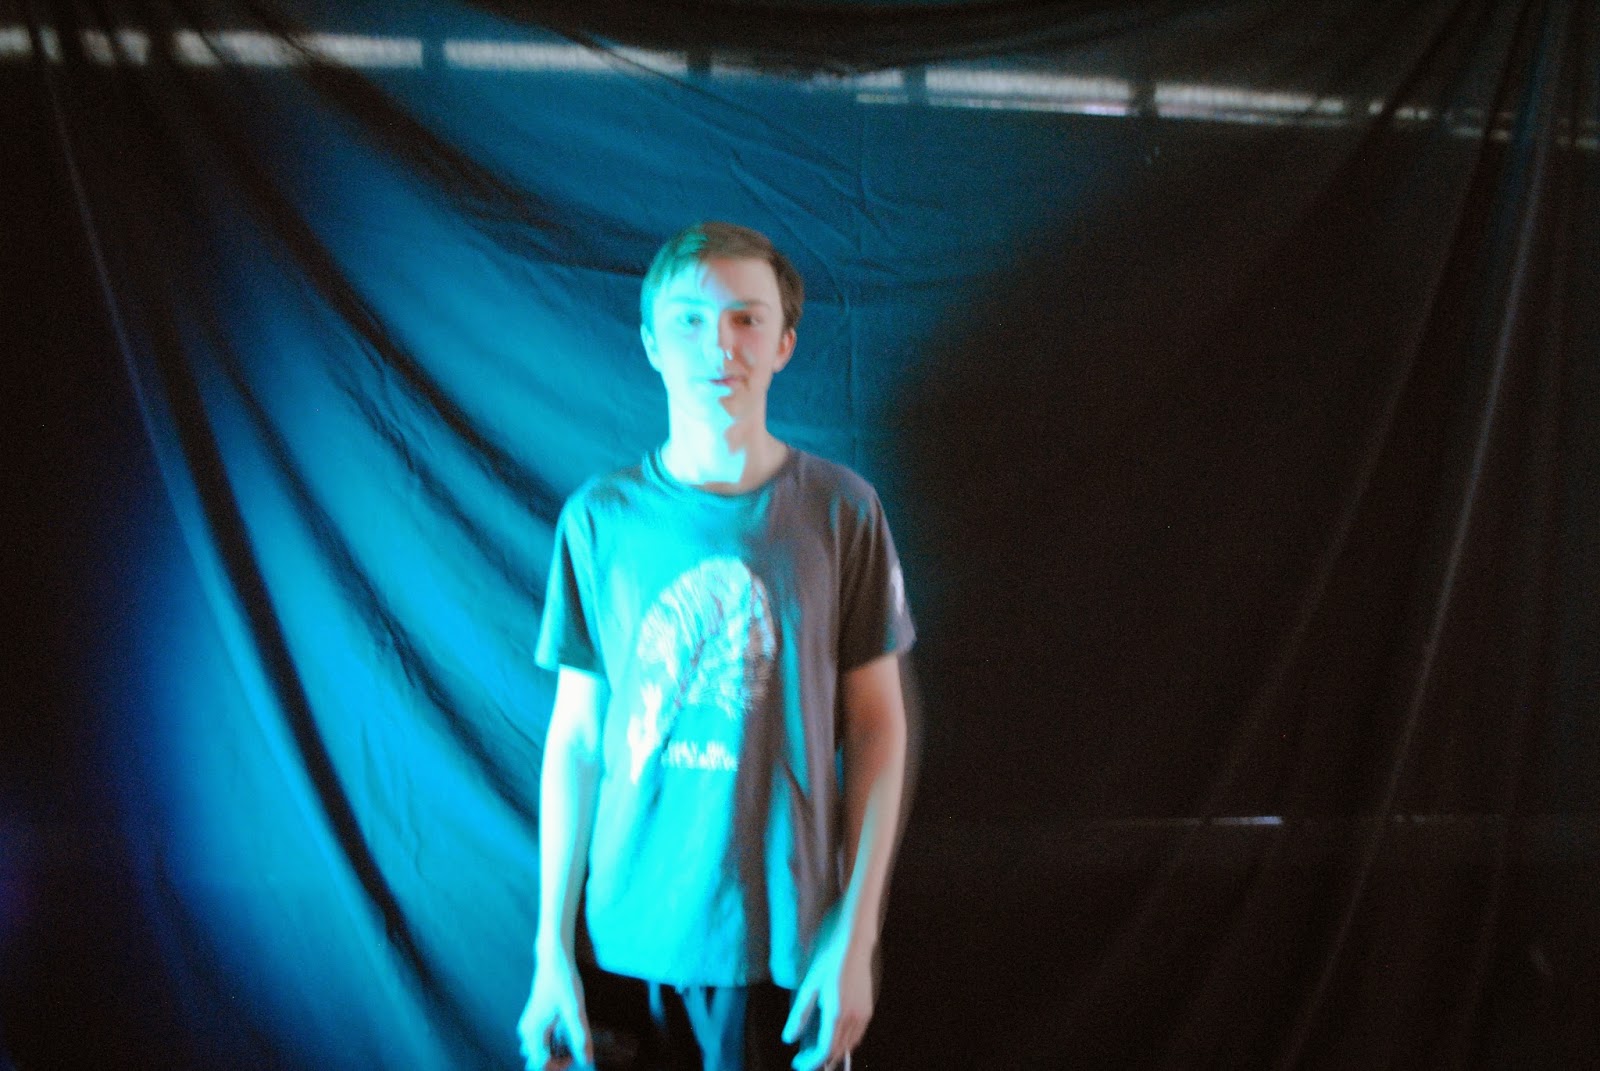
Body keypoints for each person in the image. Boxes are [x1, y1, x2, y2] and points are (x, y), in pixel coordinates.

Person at [518, 222, 915, 1071]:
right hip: (622, 944)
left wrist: (856, 935)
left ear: (784, 342)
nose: (720, 344)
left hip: (784, 948)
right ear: (651, 343)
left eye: (746, 318)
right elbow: (578, 740)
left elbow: (878, 728)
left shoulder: (843, 512)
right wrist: (550, 948)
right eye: (691, 320)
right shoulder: (599, 520)